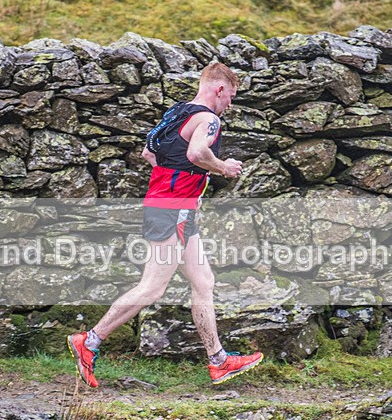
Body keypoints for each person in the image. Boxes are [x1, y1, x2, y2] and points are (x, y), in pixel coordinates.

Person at [67, 62, 263, 388]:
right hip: (171, 211)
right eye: (231, 95)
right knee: (153, 287)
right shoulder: (209, 120)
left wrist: (180, 183)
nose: (231, 103)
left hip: (175, 209)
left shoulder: (178, 113)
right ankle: (88, 342)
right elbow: (199, 152)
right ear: (219, 89)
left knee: (204, 281)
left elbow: (148, 153)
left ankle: (218, 361)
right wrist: (222, 167)